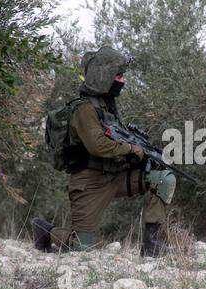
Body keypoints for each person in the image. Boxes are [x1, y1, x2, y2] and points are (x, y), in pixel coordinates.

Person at [31, 46, 176, 257]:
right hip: (89, 183)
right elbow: (98, 145)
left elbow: (116, 144)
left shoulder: (107, 109)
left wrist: (142, 155)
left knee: (164, 179)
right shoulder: (83, 109)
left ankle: (152, 246)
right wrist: (131, 148)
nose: (122, 81)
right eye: (118, 76)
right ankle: (46, 230)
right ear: (104, 77)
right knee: (83, 247)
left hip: (115, 176)